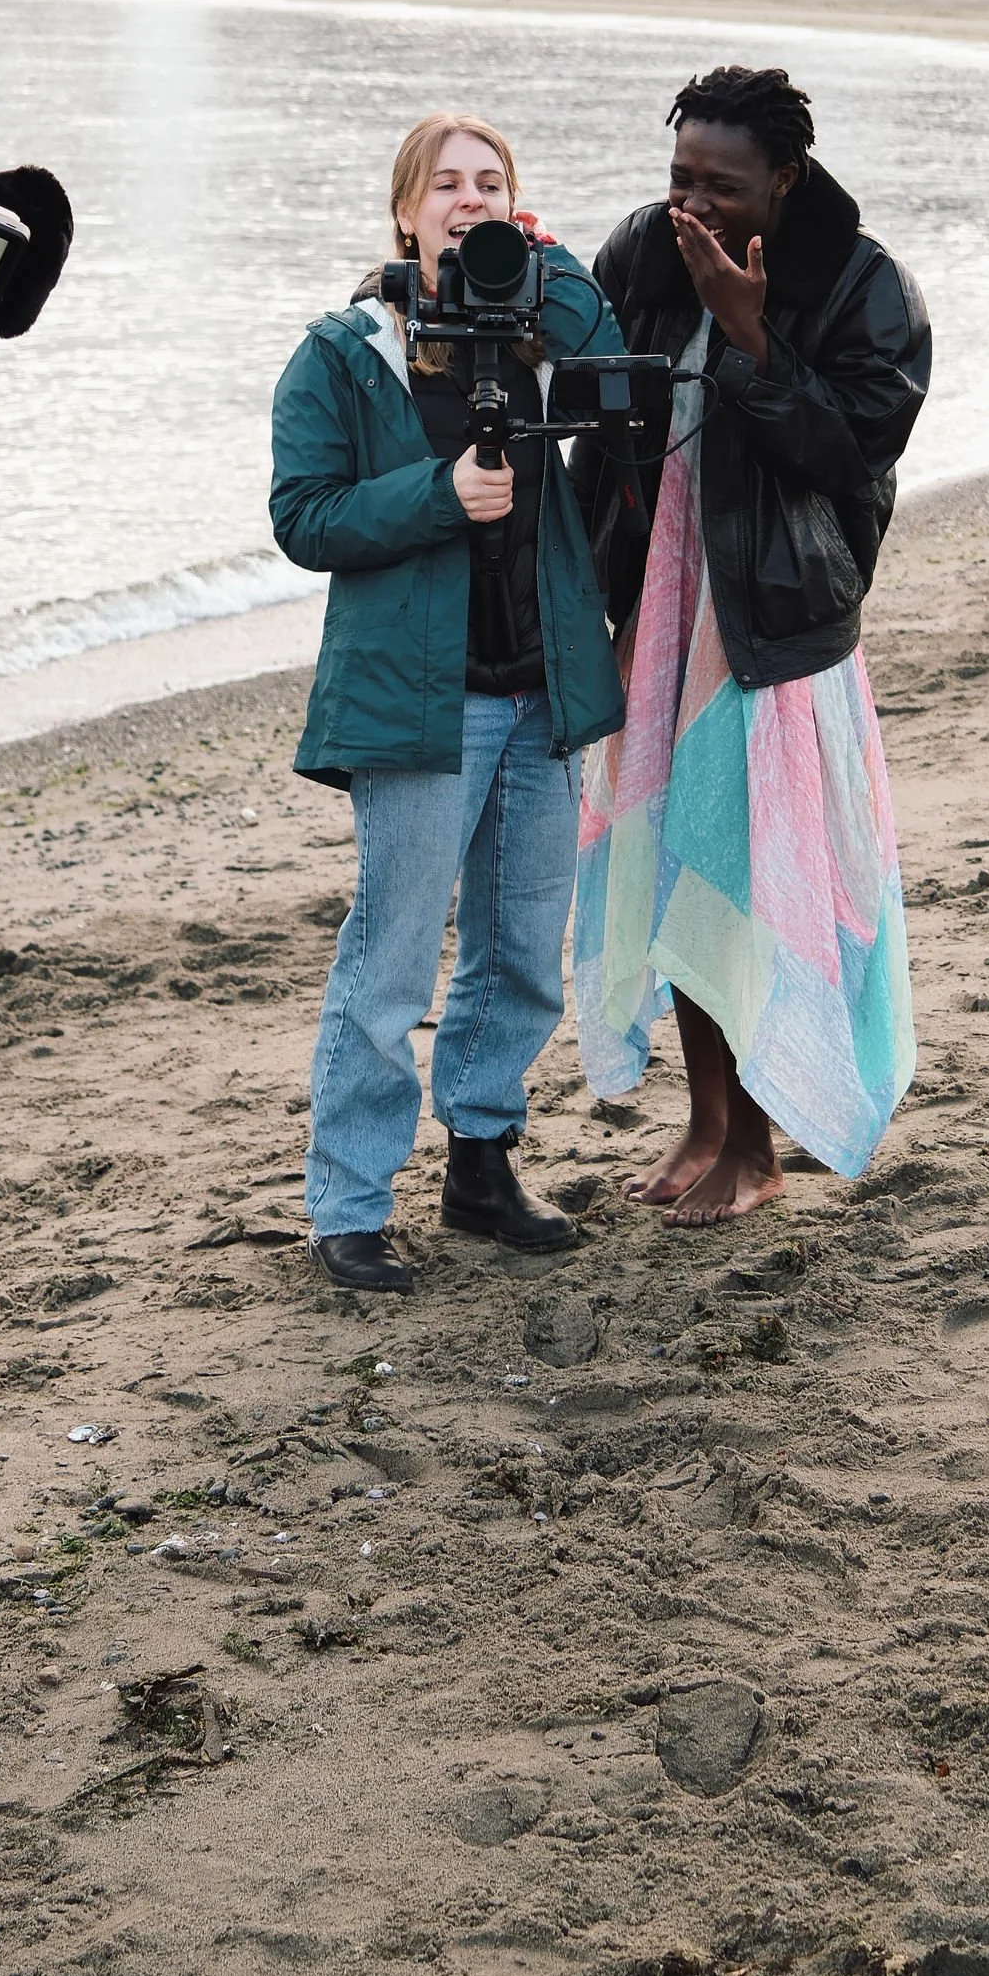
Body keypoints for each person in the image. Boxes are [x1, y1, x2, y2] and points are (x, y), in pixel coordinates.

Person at [269, 112, 628, 1293]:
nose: (467, 201)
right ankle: (349, 1203)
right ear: (403, 207)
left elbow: (609, 360)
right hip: (418, 705)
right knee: (390, 960)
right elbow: (303, 516)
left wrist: (546, 256)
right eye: (447, 185)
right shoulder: (343, 349)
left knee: (524, 954)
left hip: (538, 691)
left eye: (492, 185)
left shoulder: (532, 327)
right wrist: (437, 494)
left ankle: (480, 1165)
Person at [570, 64, 929, 1222]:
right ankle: (709, 1120)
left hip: (770, 627)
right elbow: (581, 396)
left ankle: (762, 1148)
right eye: (678, 177)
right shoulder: (640, 251)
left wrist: (748, 336)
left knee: (744, 877)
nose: (692, 206)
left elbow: (849, 456)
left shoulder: (864, 288)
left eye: (720, 187)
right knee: (674, 859)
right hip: (659, 611)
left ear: (782, 180)